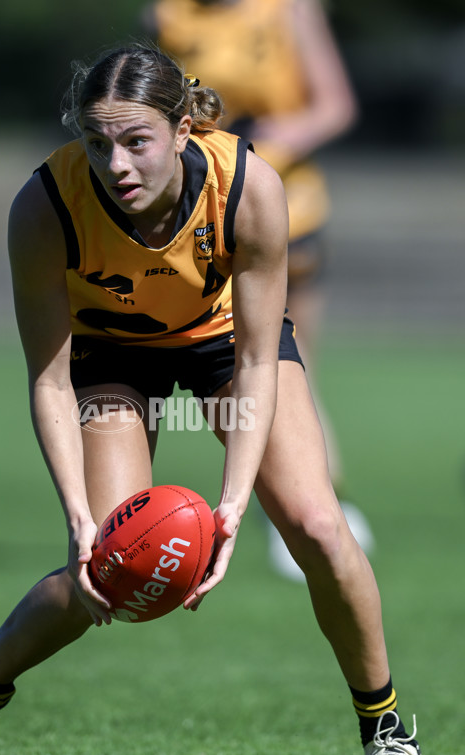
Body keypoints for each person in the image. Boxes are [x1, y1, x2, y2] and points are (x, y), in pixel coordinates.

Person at [0, 45, 432, 755]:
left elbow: (256, 361)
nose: (117, 163)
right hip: (113, 356)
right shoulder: (44, 206)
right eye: (98, 142)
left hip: (223, 346)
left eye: (137, 140)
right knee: (104, 568)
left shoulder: (250, 187)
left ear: (182, 129)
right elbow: (48, 379)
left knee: (315, 524)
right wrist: (79, 516)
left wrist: (234, 501)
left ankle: (385, 727)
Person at [146, 0, 373, 580]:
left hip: (289, 209)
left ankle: (317, 506)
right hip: (204, 214)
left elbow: (334, 106)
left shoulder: (290, 8)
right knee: (223, 364)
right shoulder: (168, 14)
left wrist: (266, 144)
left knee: (290, 365)